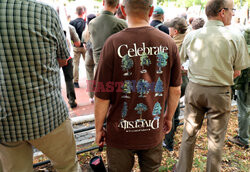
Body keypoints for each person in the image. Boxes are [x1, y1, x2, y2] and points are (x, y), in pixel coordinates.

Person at [94, 0, 182, 171]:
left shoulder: (112, 43)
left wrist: (99, 129)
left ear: (122, 10)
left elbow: (102, 95)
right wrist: (169, 117)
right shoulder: (168, 43)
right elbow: (176, 89)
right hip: (153, 129)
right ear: (150, 11)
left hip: (120, 132)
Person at [0, 1, 81, 172]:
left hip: (6, 123)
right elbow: (63, 59)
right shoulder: (44, 11)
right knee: (68, 167)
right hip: (47, 113)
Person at [175, 0, 250, 171]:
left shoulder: (192, 35)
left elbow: (180, 63)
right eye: (232, 10)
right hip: (219, 92)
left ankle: (182, 169)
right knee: (215, 141)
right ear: (222, 12)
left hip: (194, 90)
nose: (233, 13)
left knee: (188, 135)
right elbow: (237, 72)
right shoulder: (235, 36)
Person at [163, 17, 188, 151]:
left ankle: (168, 142)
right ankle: (175, 129)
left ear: (175, 31)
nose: (168, 30)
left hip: (175, 81)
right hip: (187, 80)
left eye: (170, 28)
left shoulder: (171, 44)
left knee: (169, 112)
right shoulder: (190, 40)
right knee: (176, 104)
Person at [89, 0, 128, 74]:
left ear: (103, 2)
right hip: (115, 70)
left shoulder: (92, 23)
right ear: (117, 6)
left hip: (98, 68)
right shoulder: (121, 23)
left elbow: (92, 41)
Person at [228, 26, 250, 149]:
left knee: (244, 109)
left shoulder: (244, 50)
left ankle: (243, 139)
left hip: (246, 84)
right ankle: (245, 131)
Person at [70, 6, 87, 88]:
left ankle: (76, 82)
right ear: (83, 12)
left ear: (76, 12)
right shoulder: (86, 22)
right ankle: (90, 80)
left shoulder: (72, 22)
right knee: (88, 64)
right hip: (85, 46)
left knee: (75, 64)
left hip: (76, 46)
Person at [82, 14, 97, 104]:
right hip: (96, 55)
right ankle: (98, 95)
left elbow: (84, 45)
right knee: (97, 75)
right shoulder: (98, 31)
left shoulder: (85, 32)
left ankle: (91, 97)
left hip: (88, 55)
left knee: (89, 76)